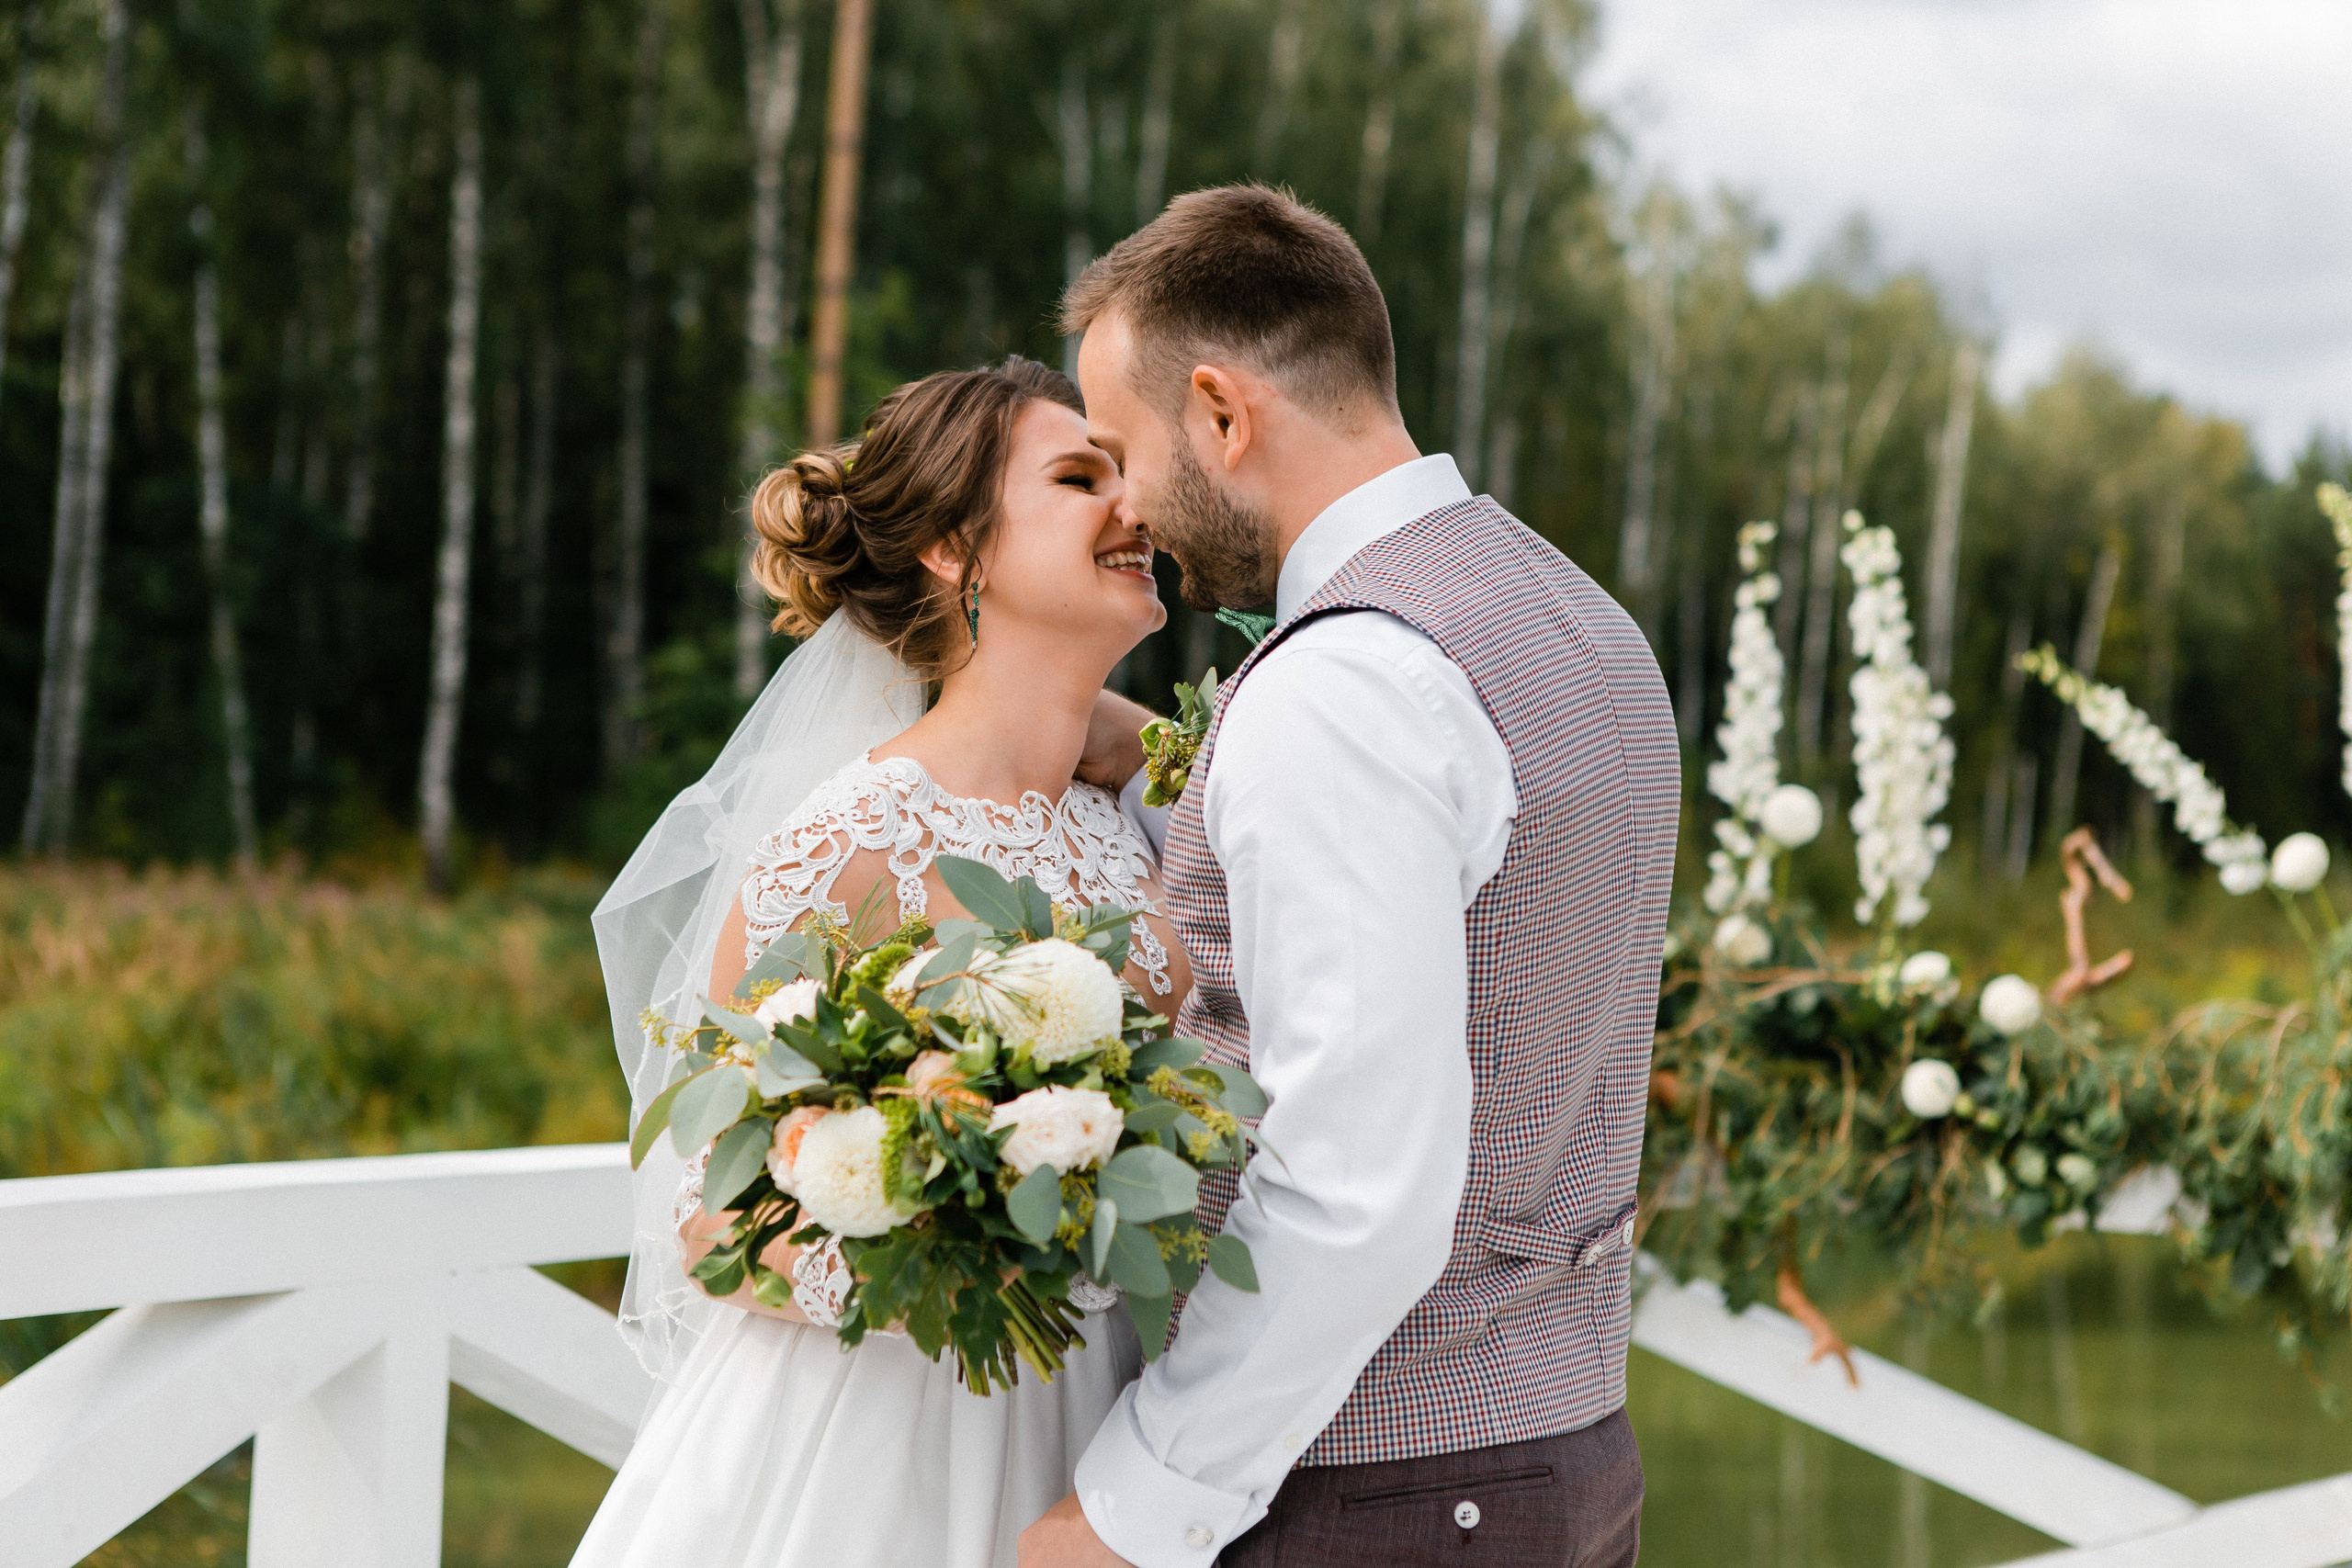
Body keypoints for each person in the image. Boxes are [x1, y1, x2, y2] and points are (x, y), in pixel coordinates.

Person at [1018, 186, 1680, 1568]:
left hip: (1374, 1495)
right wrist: (1167, 778)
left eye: (1124, 452)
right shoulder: (1577, 620)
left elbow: (1354, 1181)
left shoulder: (1339, 686)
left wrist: (1137, 1504)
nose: (1129, 506)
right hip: (1564, 1454)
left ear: (1220, 410)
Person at [579, 357, 1184, 1568]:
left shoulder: (1140, 819)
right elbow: (709, 1216)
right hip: (870, 1442)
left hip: (1098, 1428)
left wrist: (1165, 749)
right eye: (1081, 479)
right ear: (956, 551)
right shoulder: (854, 838)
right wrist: (954, 1257)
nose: (1140, 507)